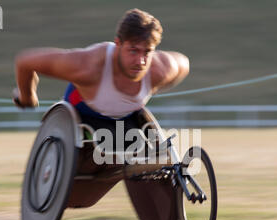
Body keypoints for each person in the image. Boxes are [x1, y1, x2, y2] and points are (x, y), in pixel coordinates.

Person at [13, 8, 189, 153]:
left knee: (151, 157)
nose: (140, 61)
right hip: (83, 114)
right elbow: (25, 62)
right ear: (118, 44)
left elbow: (184, 64)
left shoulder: (161, 70)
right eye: (133, 50)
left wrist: (154, 88)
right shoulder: (88, 67)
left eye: (147, 52)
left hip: (124, 120)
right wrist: (27, 97)